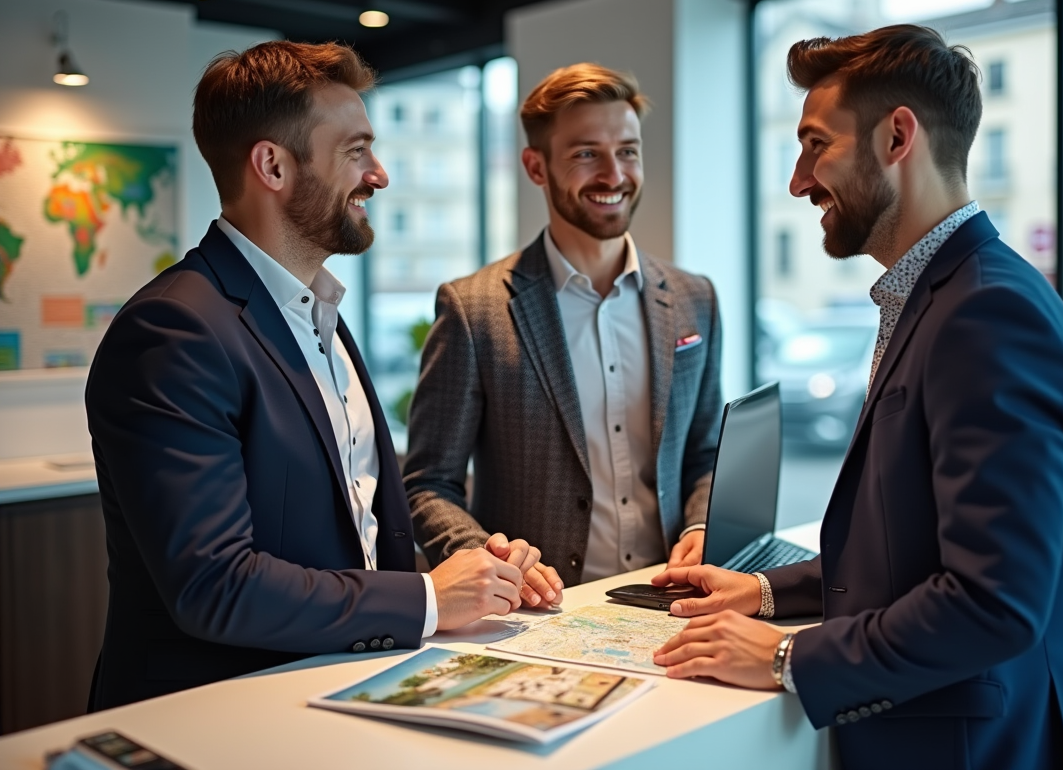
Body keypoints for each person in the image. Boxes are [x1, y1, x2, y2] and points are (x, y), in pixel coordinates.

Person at [651, 26, 1063, 770]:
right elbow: (909, 552)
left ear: (898, 136)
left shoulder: (989, 313)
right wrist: (763, 593)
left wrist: (786, 655)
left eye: (815, 145)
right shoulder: (943, 295)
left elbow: (995, 602)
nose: (799, 181)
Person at [85, 41, 530, 710]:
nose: (378, 175)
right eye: (356, 151)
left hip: (340, 699)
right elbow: (215, 587)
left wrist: (476, 577)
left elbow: (355, 531)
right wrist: (430, 598)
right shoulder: (173, 331)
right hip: (217, 721)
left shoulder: (319, 313)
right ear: (272, 165)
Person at [403, 63, 723, 598]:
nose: (614, 175)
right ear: (535, 166)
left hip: (672, 599)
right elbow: (428, 485)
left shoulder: (696, 298)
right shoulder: (474, 309)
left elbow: (706, 452)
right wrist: (489, 559)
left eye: (627, 150)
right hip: (539, 615)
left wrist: (700, 525)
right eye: (585, 153)